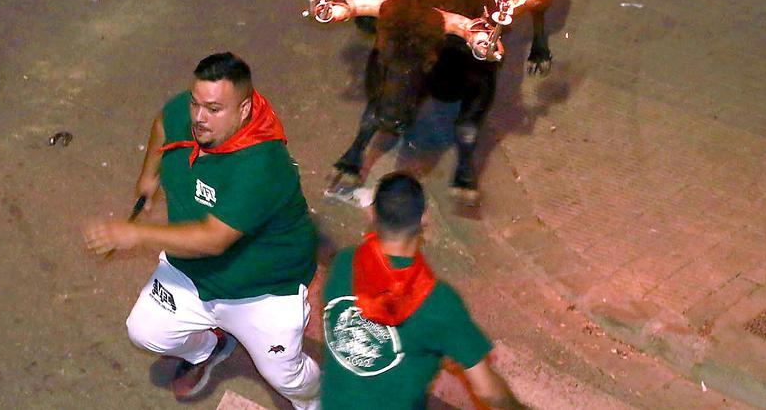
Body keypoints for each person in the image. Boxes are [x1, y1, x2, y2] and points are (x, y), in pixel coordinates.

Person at [83, 52, 320, 409]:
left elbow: (214, 239)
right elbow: (164, 123)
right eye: (196, 103)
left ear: (243, 110)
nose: (198, 117)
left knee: (285, 376)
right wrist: (149, 175)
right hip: (193, 274)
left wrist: (136, 234)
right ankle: (208, 346)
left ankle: (315, 400)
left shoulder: (262, 164)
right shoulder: (189, 112)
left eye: (213, 109)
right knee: (144, 333)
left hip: (264, 290)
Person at [319, 173, 525, 409]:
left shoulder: (345, 263)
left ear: (372, 214)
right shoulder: (438, 303)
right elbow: (488, 390)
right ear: (425, 219)